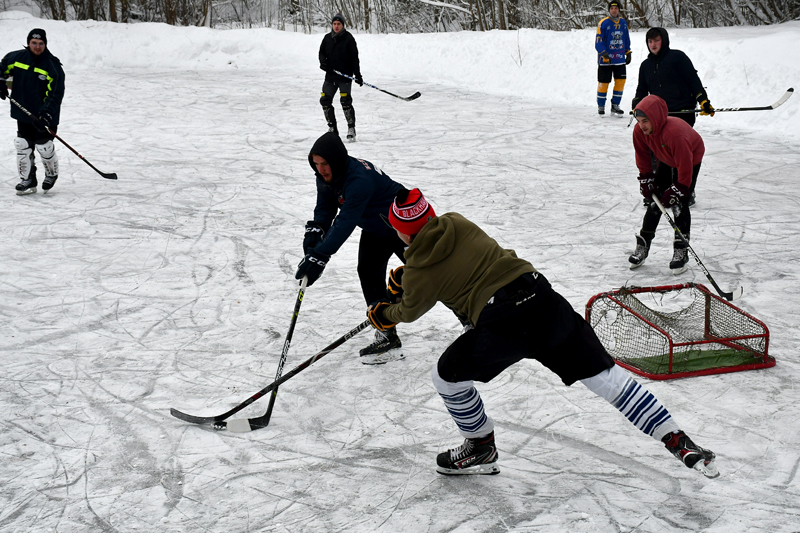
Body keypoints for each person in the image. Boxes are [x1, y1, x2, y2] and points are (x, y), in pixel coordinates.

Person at [365, 188, 719, 478]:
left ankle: (480, 445)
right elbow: (461, 264)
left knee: (446, 377)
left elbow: (408, 311)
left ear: (404, 232)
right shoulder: (457, 222)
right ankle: (676, 438)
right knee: (606, 377)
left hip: (503, 323)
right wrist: (410, 278)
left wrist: (383, 313)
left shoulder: (419, 272)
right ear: (430, 215)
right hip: (542, 298)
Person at [295, 132, 407, 363]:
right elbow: (326, 207)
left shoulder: (358, 180)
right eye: (316, 164)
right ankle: (386, 333)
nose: (320, 169)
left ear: (336, 160)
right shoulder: (326, 176)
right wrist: (316, 232)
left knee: (432, 271)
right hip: (375, 227)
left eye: (324, 163)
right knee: (368, 271)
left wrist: (320, 255)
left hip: (403, 225)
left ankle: (468, 319)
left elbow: (345, 220)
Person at [629, 94, 705, 274]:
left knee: (680, 202)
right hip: (666, 156)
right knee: (655, 200)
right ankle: (643, 244)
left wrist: (680, 188)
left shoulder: (674, 134)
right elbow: (642, 155)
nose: (641, 125)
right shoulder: (640, 131)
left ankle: (681, 250)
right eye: (639, 121)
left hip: (690, 157)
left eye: (645, 121)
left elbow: (685, 166)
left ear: (656, 118)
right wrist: (646, 177)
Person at [1, 28, 65, 195]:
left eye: (41, 43)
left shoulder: (52, 65)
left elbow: (56, 93)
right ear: (28, 43)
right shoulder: (16, 58)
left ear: (45, 44)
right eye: (34, 43)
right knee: (22, 145)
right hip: (23, 111)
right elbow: (2, 68)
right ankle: (28, 180)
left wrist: (47, 113)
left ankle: (51, 174)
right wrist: (1, 82)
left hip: (44, 115)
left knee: (44, 146)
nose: (37, 46)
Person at [631, 27, 714, 128]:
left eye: (657, 40)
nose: (653, 44)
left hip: (683, 112)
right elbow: (642, 89)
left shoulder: (678, 57)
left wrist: (703, 100)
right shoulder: (645, 66)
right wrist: (637, 105)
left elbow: (693, 80)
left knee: (676, 137)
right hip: (659, 113)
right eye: (650, 41)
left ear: (664, 40)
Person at [318, 13, 363, 142]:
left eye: (339, 24)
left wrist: (357, 74)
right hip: (331, 76)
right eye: (334, 24)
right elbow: (321, 53)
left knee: (345, 101)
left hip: (344, 77)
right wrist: (323, 63)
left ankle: (351, 128)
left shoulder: (349, 39)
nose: (336, 26)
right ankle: (332, 128)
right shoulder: (327, 38)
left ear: (343, 25)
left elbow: (354, 58)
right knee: (325, 100)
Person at [595, 1, 631, 116]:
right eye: (612, 8)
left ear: (619, 9)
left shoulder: (623, 23)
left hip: (619, 59)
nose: (614, 10)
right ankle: (601, 106)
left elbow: (626, 38)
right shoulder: (603, 23)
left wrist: (628, 52)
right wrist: (603, 52)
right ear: (609, 10)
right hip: (606, 60)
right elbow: (598, 40)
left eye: (616, 8)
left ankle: (615, 105)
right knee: (604, 83)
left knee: (620, 82)